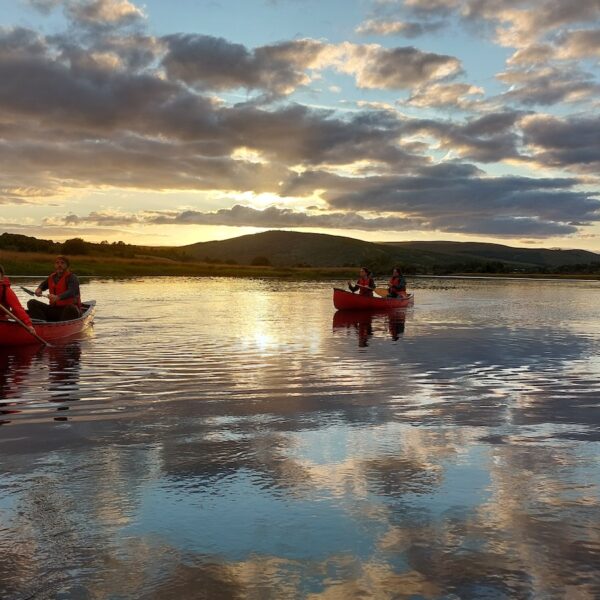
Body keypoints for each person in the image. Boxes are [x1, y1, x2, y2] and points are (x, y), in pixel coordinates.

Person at [27, 256, 81, 322]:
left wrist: (58, 297)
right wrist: (39, 289)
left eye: (62, 263)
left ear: (67, 266)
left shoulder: (72, 277)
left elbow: (72, 292)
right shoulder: (52, 277)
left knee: (71, 308)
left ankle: (61, 327)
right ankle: (41, 324)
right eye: (57, 263)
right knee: (32, 303)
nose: (59, 265)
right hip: (54, 309)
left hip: (68, 310)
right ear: (55, 265)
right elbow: (43, 285)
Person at [0, 264, 36, 335]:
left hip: (2, 319)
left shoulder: (6, 291)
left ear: (1, 277)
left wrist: (28, 324)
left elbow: (17, 308)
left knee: (17, 313)